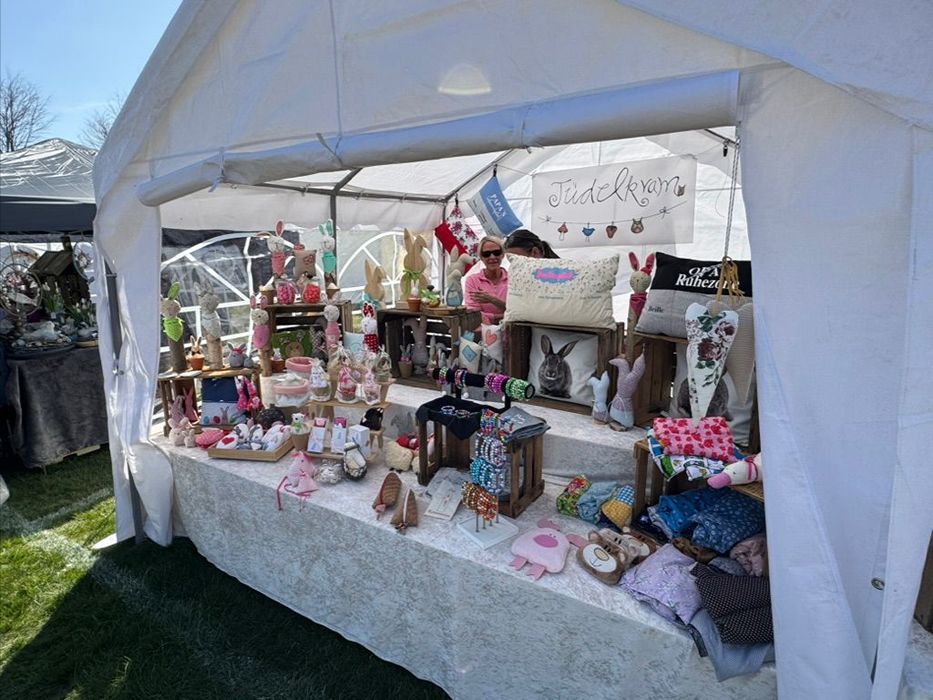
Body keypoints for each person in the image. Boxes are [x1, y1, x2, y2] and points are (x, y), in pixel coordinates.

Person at [465, 237, 508, 325]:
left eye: (496, 253)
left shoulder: (513, 279)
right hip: (483, 330)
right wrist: (502, 316)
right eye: (486, 254)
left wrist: (492, 299)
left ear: (502, 254)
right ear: (481, 257)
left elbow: (517, 311)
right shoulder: (472, 280)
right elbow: (473, 313)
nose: (492, 257)